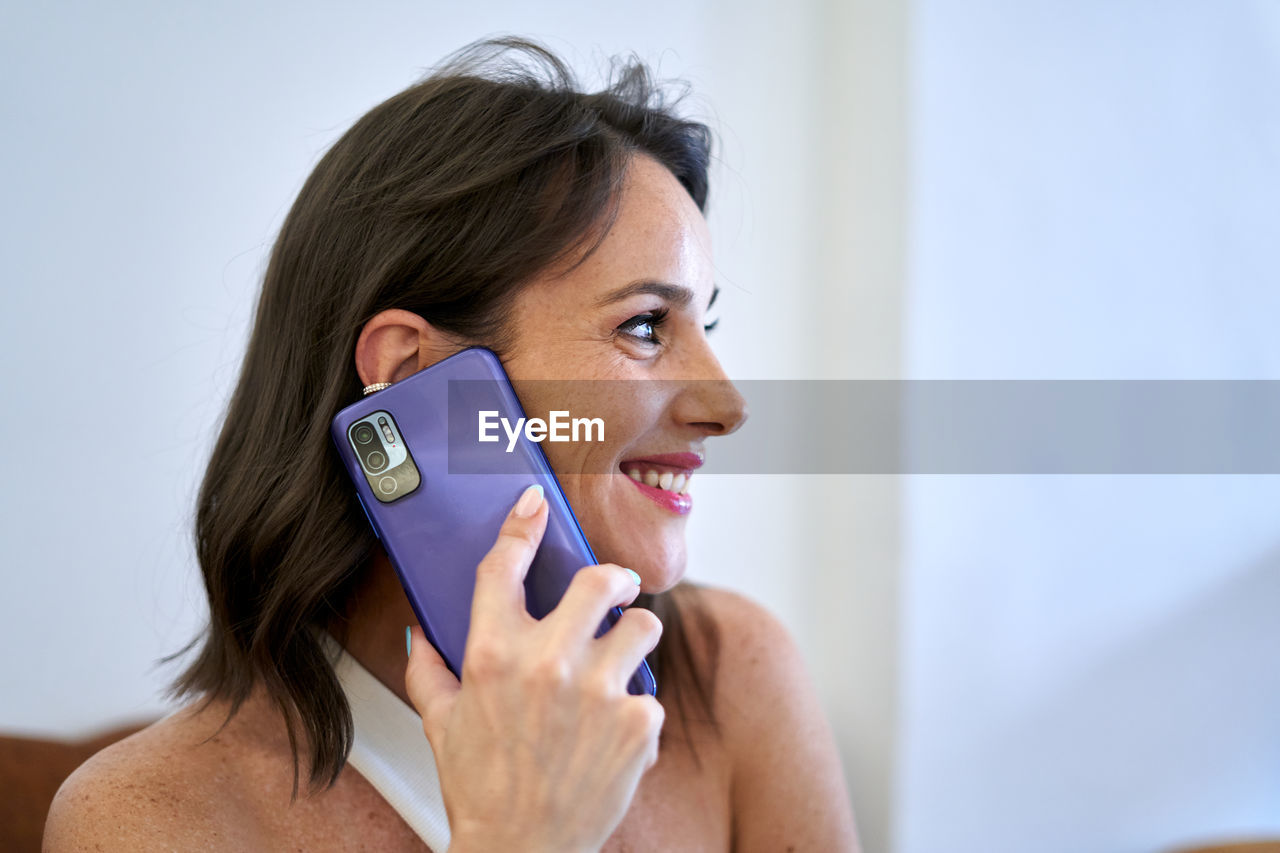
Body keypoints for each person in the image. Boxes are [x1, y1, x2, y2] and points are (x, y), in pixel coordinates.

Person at [44, 38, 859, 851]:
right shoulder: (140, 818)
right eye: (645, 325)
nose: (726, 406)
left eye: (704, 324)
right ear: (410, 374)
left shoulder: (736, 676)